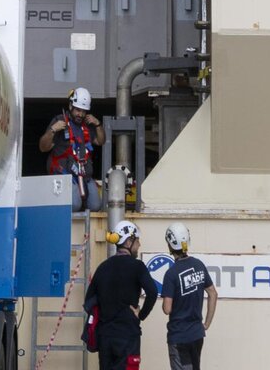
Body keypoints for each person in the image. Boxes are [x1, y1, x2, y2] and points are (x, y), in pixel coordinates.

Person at [85, 222, 158, 370]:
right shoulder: (137, 266)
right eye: (137, 241)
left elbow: (89, 301)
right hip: (128, 335)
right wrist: (141, 314)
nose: (139, 245)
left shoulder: (102, 267)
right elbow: (153, 292)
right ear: (129, 242)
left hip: (105, 337)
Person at [160, 224, 216, 370]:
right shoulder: (198, 265)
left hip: (179, 336)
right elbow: (213, 293)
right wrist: (206, 324)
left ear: (170, 245)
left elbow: (167, 309)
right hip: (197, 334)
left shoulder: (171, 274)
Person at [39, 84, 102, 208]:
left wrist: (98, 124)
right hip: (65, 174)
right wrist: (53, 130)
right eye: (78, 110)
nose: (80, 114)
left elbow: (100, 141)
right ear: (70, 106)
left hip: (84, 175)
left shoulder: (88, 125)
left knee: (95, 205)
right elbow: (43, 147)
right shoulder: (59, 121)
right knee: (74, 204)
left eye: (84, 111)